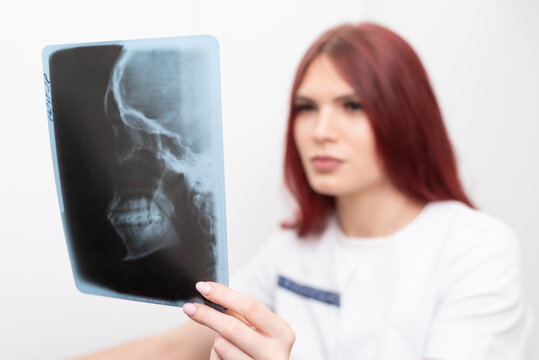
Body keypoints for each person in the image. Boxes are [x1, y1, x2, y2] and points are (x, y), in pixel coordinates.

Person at [72, 22, 534, 360]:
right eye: (306, 108)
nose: (321, 131)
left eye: (352, 106)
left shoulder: (477, 250)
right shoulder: (291, 250)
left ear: (407, 116)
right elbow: (181, 346)